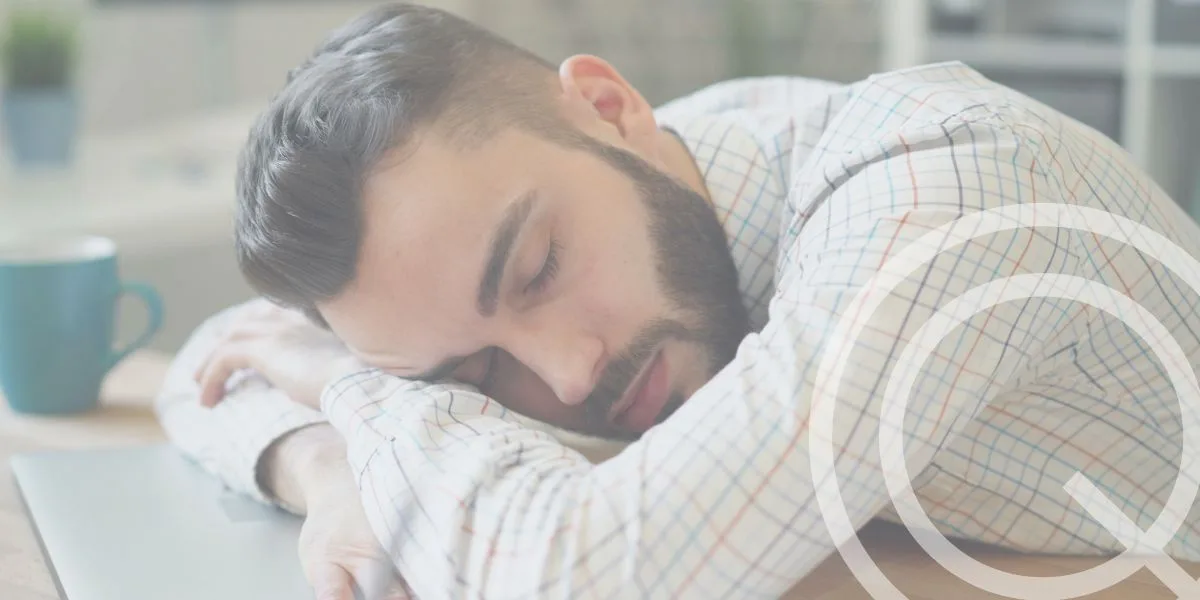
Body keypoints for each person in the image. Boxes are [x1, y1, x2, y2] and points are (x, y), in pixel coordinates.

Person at [155, 3, 1200, 599]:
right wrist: (328, 467)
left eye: (537, 270)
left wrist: (370, 402)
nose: (564, 376)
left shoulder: (938, 189)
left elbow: (580, 577)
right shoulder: (611, 177)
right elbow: (213, 363)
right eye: (475, 372)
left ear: (610, 107)